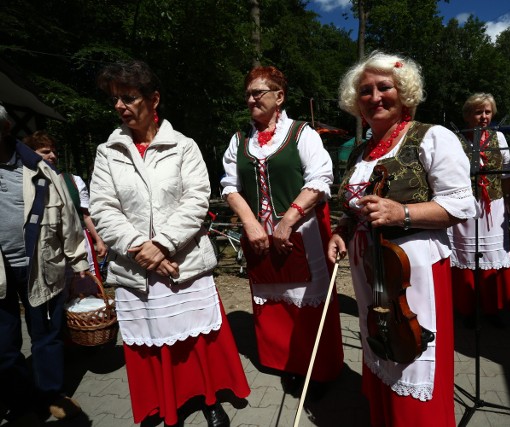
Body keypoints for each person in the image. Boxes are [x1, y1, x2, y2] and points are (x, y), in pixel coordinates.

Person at [90, 60, 249, 427]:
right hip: (135, 267)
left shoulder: (184, 146)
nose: (119, 106)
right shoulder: (107, 152)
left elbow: (196, 200)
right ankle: (161, 404)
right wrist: (141, 250)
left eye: (128, 98)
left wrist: (161, 245)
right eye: (115, 99)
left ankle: (208, 398)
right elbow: (102, 207)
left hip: (184, 261)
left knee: (196, 341)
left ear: (154, 99)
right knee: (149, 340)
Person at [328, 51, 477, 426]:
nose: (375, 97)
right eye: (365, 90)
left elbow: (461, 205)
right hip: (372, 271)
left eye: (384, 87)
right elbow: (353, 209)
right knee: (380, 344)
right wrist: (341, 232)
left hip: (415, 269)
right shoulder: (359, 153)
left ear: (404, 93)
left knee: (413, 353)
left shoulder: (432, 137)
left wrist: (403, 212)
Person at [220, 66, 344, 397]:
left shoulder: (303, 134)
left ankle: (318, 370)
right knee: (272, 302)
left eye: (257, 92)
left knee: (306, 303)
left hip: (302, 234)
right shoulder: (238, 141)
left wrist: (288, 220)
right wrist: (249, 222)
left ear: (279, 97)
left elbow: (320, 179)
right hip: (259, 236)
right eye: (247, 94)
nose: (250, 99)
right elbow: (230, 186)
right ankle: (284, 363)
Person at [0, 105, 89, 424]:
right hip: (0, 272)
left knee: (46, 335)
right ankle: (18, 399)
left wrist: (80, 265)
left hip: (40, 263)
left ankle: (51, 394)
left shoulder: (38, 168)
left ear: (6, 127)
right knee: (4, 343)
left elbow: (68, 216)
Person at [448, 93, 510, 328]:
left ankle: (492, 309)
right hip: (464, 205)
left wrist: (509, 200)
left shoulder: (499, 137)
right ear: (467, 115)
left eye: (487, 112)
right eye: (478, 112)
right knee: (465, 255)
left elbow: (507, 171)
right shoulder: (455, 139)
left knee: (491, 257)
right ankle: (467, 309)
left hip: (493, 205)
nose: (483, 117)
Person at [22, 131, 108, 282]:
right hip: (45, 244)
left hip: (76, 240)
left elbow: (86, 215)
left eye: (54, 152)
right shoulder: (23, 183)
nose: (53, 156)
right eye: (46, 152)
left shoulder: (73, 181)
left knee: (83, 287)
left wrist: (98, 240)